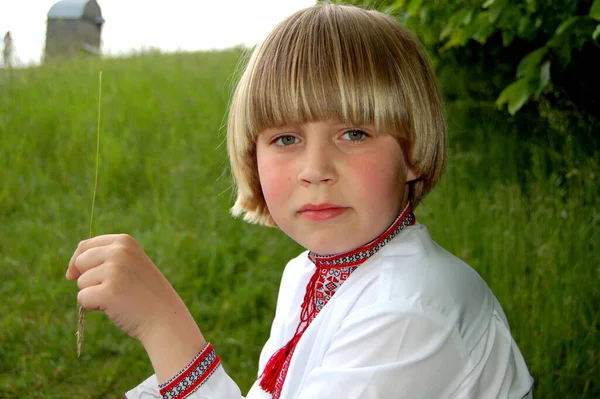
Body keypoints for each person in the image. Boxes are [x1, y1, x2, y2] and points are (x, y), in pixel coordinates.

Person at [66, 4, 534, 398]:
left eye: (354, 133)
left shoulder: (411, 310)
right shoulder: (310, 272)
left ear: (412, 152)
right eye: (286, 138)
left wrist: (163, 325)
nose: (315, 169)